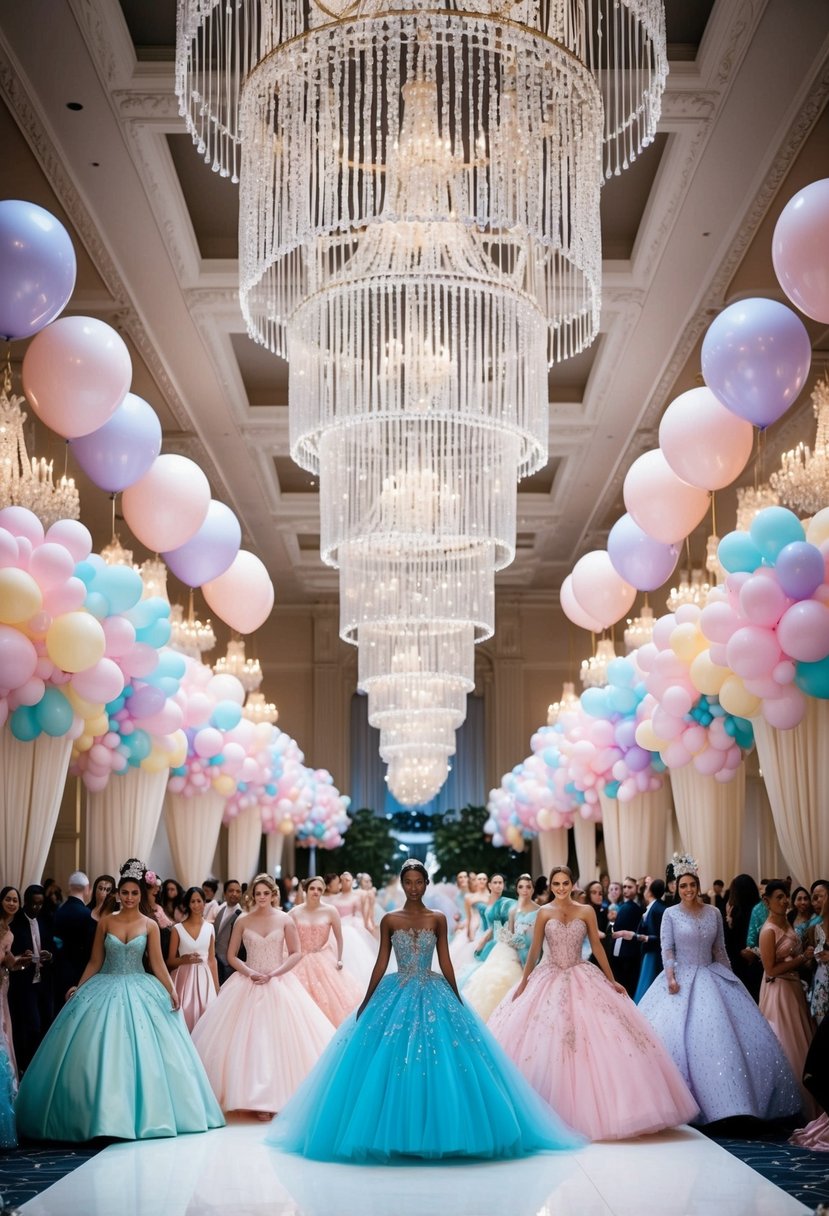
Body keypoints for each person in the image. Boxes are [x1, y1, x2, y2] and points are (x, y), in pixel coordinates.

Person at [267, 859, 582, 1162]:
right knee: (388, 1060)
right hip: (397, 987)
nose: (414, 887)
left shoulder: (437, 918)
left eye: (419, 882)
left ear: (426, 884)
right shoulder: (390, 919)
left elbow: (444, 959)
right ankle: (395, 1132)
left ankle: (443, 1132)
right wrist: (367, 998)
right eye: (408, 882)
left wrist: (457, 996)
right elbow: (381, 962)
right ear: (402, 884)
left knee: (441, 1058)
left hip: (433, 988)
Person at [15, 858, 224, 1141]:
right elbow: (94, 961)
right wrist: (79, 986)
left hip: (141, 986)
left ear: (141, 894)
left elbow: (158, 963)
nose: (128, 898)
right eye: (124, 893)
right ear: (117, 894)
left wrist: (171, 989)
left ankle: (145, 1115)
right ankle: (94, 1115)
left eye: (134, 893)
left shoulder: (150, 925)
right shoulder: (106, 922)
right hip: (105, 984)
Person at [488, 865, 697, 1141]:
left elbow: (598, 948)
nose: (561, 888)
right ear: (550, 886)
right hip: (548, 975)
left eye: (565, 883)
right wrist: (525, 982)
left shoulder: (585, 911)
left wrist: (612, 981)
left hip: (580, 972)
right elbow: (535, 950)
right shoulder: (543, 913)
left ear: (573, 884)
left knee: (601, 1037)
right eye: (556, 884)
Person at [638, 855, 801, 1125]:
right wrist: (670, 977)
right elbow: (667, 948)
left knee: (723, 1036)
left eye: (692, 885)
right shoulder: (670, 913)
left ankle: (732, 1105)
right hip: (681, 976)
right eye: (683, 886)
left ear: (698, 885)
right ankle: (683, 1104)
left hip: (710, 975)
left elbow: (720, 951)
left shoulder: (713, 912)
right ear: (676, 889)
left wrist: (730, 978)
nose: (688, 890)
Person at [192, 874, 334, 1119]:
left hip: (278, 981)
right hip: (248, 981)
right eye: (257, 894)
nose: (261, 898)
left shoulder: (285, 919)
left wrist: (274, 973)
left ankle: (277, 1098)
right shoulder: (243, 921)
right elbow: (231, 955)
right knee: (248, 1040)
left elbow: (296, 953)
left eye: (265, 893)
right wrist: (250, 972)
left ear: (273, 894)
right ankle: (252, 1098)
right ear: (252, 895)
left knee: (279, 1038)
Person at [758, 879, 817, 1116]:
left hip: (793, 988)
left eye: (786, 897)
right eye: (779, 897)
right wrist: (801, 959)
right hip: (778, 990)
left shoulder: (787, 922)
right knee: (784, 1039)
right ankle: (786, 1105)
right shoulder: (768, 930)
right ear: (767, 901)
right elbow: (770, 969)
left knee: (801, 1037)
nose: (785, 901)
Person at [463, 874, 537, 1022]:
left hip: (530, 949)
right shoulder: (512, 910)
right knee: (493, 978)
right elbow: (509, 932)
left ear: (533, 889)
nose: (525, 890)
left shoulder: (538, 910)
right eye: (521, 887)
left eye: (528, 887)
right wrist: (489, 939)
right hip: (509, 948)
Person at [290, 877, 362, 1025]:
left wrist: (339, 958)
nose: (315, 892)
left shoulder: (330, 911)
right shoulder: (294, 912)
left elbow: (339, 938)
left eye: (319, 889)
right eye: (312, 888)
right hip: (299, 959)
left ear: (323, 892)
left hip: (323, 958)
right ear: (306, 890)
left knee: (331, 998)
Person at [7, 884, 53, 1072]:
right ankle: (27, 1066)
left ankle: (39, 1065)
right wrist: (22, 957)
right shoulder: (15, 924)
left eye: (40, 904)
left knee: (46, 1022)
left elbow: (53, 947)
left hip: (44, 981)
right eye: (33, 904)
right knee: (31, 1026)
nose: (37, 908)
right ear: (25, 902)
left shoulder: (46, 920)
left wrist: (50, 955)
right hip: (24, 982)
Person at [167, 886, 220, 1032]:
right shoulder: (177, 929)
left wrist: (216, 988)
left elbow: (212, 960)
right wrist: (184, 960)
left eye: (199, 901)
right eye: (192, 902)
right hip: (184, 981)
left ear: (204, 903)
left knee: (207, 1018)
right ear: (187, 904)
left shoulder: (210, 928)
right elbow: (170, 961)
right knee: (185, 1015)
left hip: (205, 981)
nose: (196, 905)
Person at [52, 871, 96, 1006]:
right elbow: (90, 946)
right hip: (81, 970)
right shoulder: (87, 914)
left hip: (59, 968)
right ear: (87, 888)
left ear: (69, 887)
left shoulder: (59, 911)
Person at [723, 873, 763, 1000]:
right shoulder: (760, 909)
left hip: (738, 962)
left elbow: (728, 942)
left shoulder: (735, 911)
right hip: (759, 961)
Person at [633, 878, 667, 1003]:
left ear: (650, 891)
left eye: (647, 888)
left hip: (655, 953)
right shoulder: (652, 908)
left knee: (649, 983)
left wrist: (646, 938)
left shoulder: (659, 909)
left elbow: (662, 935)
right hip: (649, 951)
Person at [609, 876, 643, 997]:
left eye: (629, 887)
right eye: (624, 887)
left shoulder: (636, 907)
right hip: (620, 950)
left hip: (630, 951)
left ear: (636, 888)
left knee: (627, 984)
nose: (626, 889)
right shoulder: (623, 905)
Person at [213, 879, 243, 984]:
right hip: (216, 958)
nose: (234, 894)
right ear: (225, 893)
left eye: (238, 891)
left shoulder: (242, 914)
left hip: (229, 962)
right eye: (231, 891)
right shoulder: (221, 910)